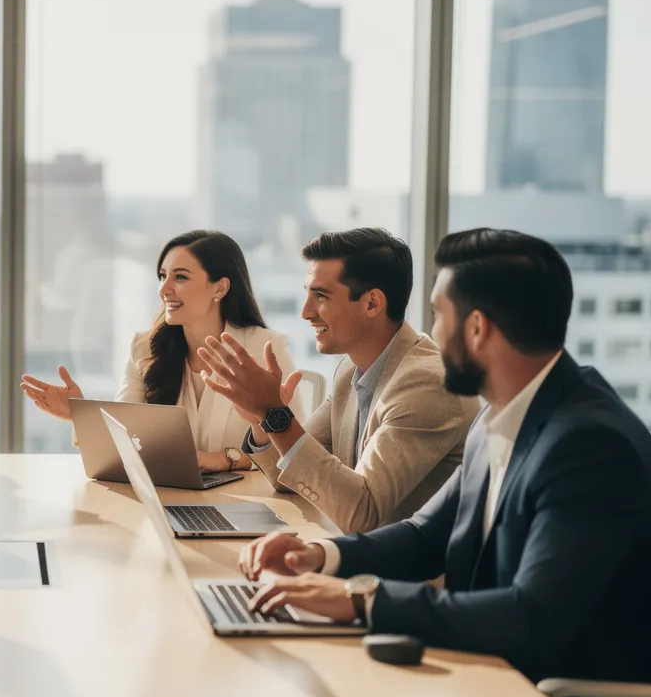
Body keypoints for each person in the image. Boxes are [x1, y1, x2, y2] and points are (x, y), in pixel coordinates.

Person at [229, 228, 651, 697]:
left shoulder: (589, 443)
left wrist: (361, 601)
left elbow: (531, 616)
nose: (429, 334)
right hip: (499, 680)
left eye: (438, 315)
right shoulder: (505, 411)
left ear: (477, 330)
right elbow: (427, 535)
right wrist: (321, 556)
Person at [199, 227, 480, 532]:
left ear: (372, 303)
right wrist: (261, 417)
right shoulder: (350, 370)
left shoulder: (427, 384)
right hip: (360, 556)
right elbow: (290, 479)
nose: (306, 312)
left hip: (409, 574)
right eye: (307, 293)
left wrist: (274, 413)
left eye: (320, 296)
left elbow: (362, 513)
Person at [21, 229, 301, 473]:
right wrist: (78, 413)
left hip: (250, 501)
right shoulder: (144, 348)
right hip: (170, 498)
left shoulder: (265, 349)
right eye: (162, 276)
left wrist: (224, 459)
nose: (164, 289)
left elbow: (296, 452)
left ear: (220, 287)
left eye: (180, 277)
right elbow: (125, 436)